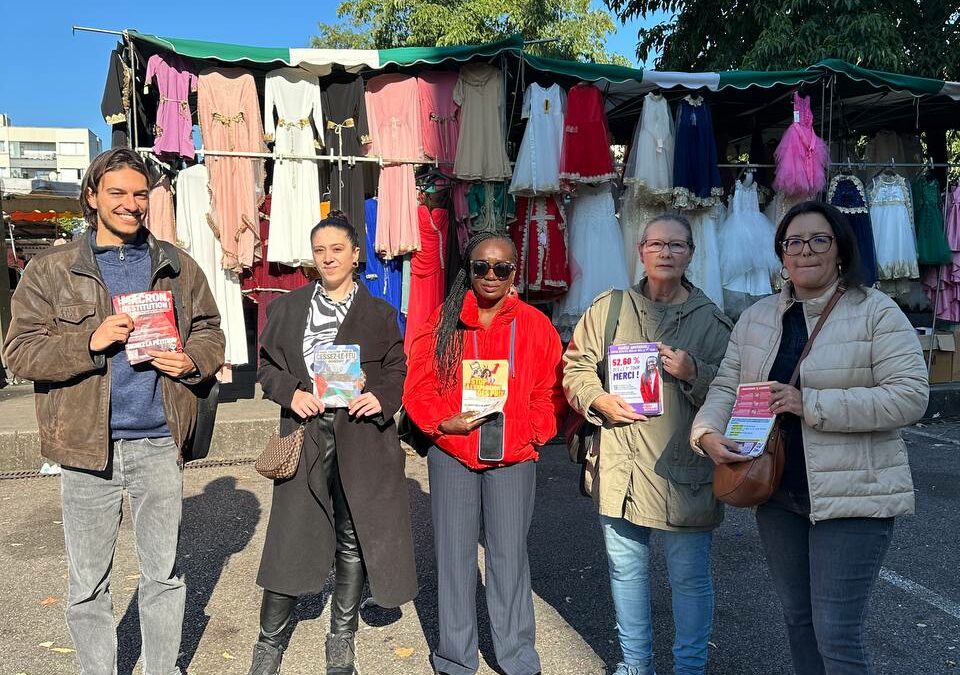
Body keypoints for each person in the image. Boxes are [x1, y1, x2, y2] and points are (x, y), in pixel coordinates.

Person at [2, 148, 225, 675]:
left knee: (163, 575)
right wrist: (90, 339)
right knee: (87, 583)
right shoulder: (51, 270)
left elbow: (212, 331)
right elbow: (18, 351)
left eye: (140, 194)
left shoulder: (175, 264)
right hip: (85, 450)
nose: (131, 204)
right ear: (92, 197)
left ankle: (161, 668)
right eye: (118, 193)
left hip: (157, 442)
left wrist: (192, 359)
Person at [691, 201, 928, 675]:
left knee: (837, 634)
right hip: (776, 490)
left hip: (853, 496)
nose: (805, 251)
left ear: (840, 249)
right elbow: (726, 387)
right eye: (793, 242)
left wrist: (810, 404)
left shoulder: (876, 311)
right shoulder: (757, 317)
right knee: (799, 621)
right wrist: (706, 433)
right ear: (781, 255)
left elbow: (910, 396)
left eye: (819, 240)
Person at [563, 214, 733, 675]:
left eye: (676, 245)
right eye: (656, 243)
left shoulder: (712, 323)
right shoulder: (610, 309)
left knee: (689, 579)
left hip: (683, 472)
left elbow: (734, 393)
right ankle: (635, 665)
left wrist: (695, 373)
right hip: (621, 466)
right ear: (640, 251)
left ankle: (690, 668)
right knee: (626, 572)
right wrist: (598, 400)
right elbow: (575, 368)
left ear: (691, 254)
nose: (665, 252)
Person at [248, 211, 417, 675]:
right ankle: (269, 642)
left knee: (352, 535)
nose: (328, 258)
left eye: (337, 249)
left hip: (360, 435)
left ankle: (341, 637)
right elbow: (266, 368)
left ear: (355, 254)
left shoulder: (379, 313)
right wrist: (293, 393)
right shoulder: (288, 307)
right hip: (306, 432)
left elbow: (396, 370)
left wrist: (378, 397)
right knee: (289, 533)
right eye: (320, 251)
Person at [403, 232, 565, 675]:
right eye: (481, 267)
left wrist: (533, 431)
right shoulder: (443, 320)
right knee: (453, 555)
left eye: (501, 268)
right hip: (454, 452)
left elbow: (551, 389)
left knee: (508, 556)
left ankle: (516, 656)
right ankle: (456, 658)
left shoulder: (534, 324)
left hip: (513, 457)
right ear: (468, 271)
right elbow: (418, 386)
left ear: (514, 273)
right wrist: (442, 422)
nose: (490, 275)